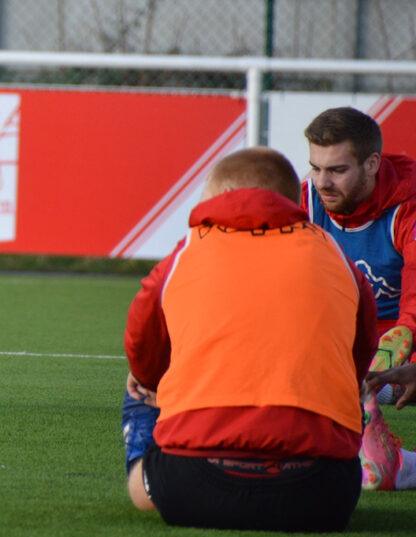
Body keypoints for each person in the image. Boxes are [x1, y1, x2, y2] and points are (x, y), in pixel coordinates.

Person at [123, 146, 378, 532]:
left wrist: (155, 383)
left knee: (138, 388)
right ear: (293, 199)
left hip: (192, 485)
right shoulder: (336, 256)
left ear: (218, 194)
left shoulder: (185, 252)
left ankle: (142, 476)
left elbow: (142, 349)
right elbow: (360, 353)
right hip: (320, 494)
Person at [303, 106, 416, 489]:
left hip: (403, 336)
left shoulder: (408, 206)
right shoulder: (304, 201)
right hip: (342, 341)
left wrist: (395, 359)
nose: (322, 182)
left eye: (336, 170)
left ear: (371, 164)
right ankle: (388, 456)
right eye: (315, 168)